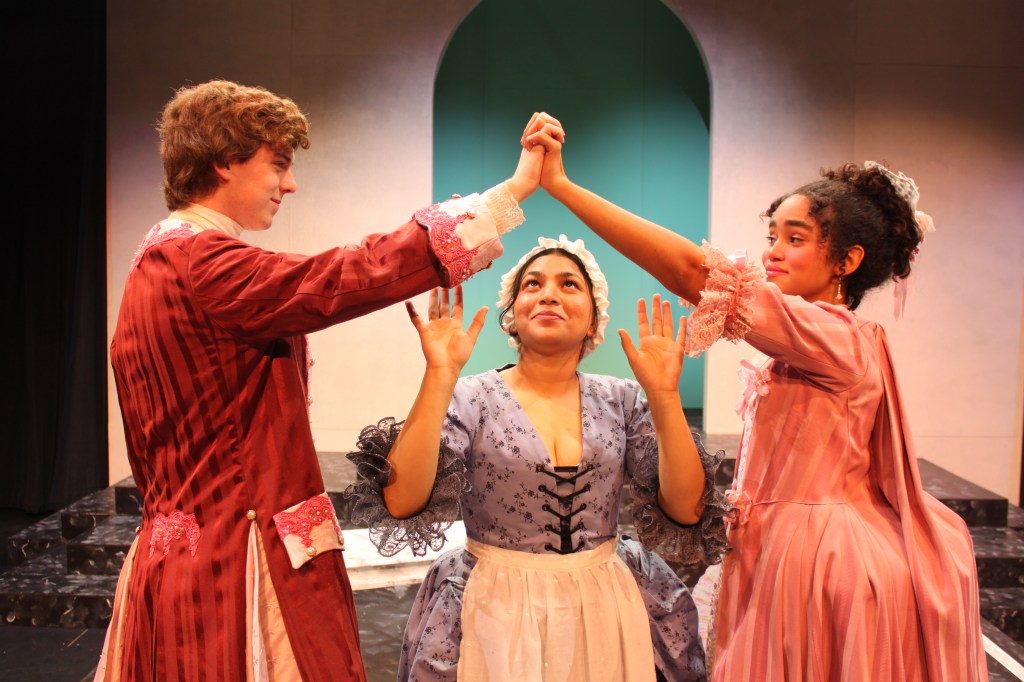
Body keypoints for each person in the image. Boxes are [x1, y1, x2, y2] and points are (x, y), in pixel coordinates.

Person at [94, 80, 561, 682]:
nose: (289, 184)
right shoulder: (200, 264)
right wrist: (509, 194)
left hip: (178, 561)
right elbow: (347, 275)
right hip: (236, 566)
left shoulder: (154, 262)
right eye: (278, 164)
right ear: (225, 160)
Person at [534, 113, 988, 680]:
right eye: (772, 236)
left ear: (847, 261)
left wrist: (563, 187)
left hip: (813, 559)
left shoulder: (838, 336)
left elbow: (690, 270)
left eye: (795, 239)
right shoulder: (818, 337)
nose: (772, 252)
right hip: (782, 547)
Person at [346, 234, 730, 681]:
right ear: (512, 314)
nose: (548, 293)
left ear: (594, 318)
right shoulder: (471, 398)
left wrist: (664, 394)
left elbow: (687, 510)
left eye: (569, 284)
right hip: (493, 606)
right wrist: (439, 376)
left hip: (606, 604)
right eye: (533, 283)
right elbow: (401, 503)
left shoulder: (622, 399)